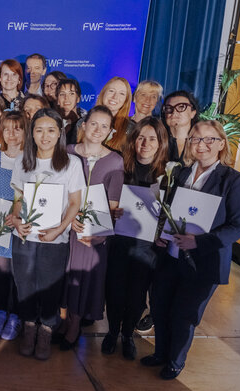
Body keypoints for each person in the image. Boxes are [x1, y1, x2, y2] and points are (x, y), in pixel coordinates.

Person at [142, 120, 240, 379]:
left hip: (203, 261)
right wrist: (161, 234)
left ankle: (175, 361)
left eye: (209, 139)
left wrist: (198, 242)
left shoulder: (233, 180)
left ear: (221, 143)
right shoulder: (180, 173)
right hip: (171, 256)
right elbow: (168, 209)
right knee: (160, 306)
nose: (201, 145)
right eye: (195, 139)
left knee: (184, 315)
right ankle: (160, 353)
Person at [8, 108, 84, 360]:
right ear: (32, 133)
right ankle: (29, 327)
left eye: (51, 130)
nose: (45, 136)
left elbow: (75, 203)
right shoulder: (22, 161)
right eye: (39, 130)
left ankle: (47, 330)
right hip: (24, 237)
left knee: (50, 288)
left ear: (60, 133)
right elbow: (18, 198)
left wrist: (59, 229)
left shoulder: (71, 163)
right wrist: (16, 220)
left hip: (55, 238)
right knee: (25, 286)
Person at [57, 106, 124, 350]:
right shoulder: (66, 152)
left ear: (111, 131)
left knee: (82, 278)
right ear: (83, 125)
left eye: (104, 126)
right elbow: (57, 191)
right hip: (64, 228)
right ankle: (63, 322)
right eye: (94, 124)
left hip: (91, 234)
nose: (98, 130)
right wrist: (67, 217)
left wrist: (95, 231)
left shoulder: (115, 161)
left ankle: (74, 326)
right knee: (63, 275)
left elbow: (112, 204)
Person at [103, 116, 169, 360]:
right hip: (119, 242)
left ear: (161, 142)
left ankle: (128, 335)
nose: (146, 143)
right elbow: (105, 203)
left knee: (137, 294)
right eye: (141, 137)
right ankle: (111, 332)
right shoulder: (120, 167)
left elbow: (172, 212)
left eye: (152, 138)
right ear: (133, 140)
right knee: (115, 290)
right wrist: (112, 212)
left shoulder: (168, 175)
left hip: (148, 246)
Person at [0, 112, 26, 340]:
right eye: (7, 129)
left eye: (17, 128)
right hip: (0, 224)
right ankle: (1, 312)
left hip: (21, 224)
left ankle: (16, 316)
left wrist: (18, 215)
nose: (12, 134)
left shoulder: (30, 159)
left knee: (19, 273)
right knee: (2, 273)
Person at [94, 77, 133, 152]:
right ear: (103, 93)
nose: (115, 97)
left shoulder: (131, 129)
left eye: (121, 93)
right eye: (111, 91)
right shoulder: (83, 122)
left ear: (126, 100)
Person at [162, 90, 199, 162]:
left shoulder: (202, 143)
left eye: (181, 107)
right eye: (169, 108)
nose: (174, 112)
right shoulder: (156, 141)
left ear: (193, 113)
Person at [57, 79, 87, 145]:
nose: (66, 98)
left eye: (71, 94)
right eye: (62, 94)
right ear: (57, 100)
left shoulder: (87, 121)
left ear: (78, 98)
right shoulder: (53, 121)